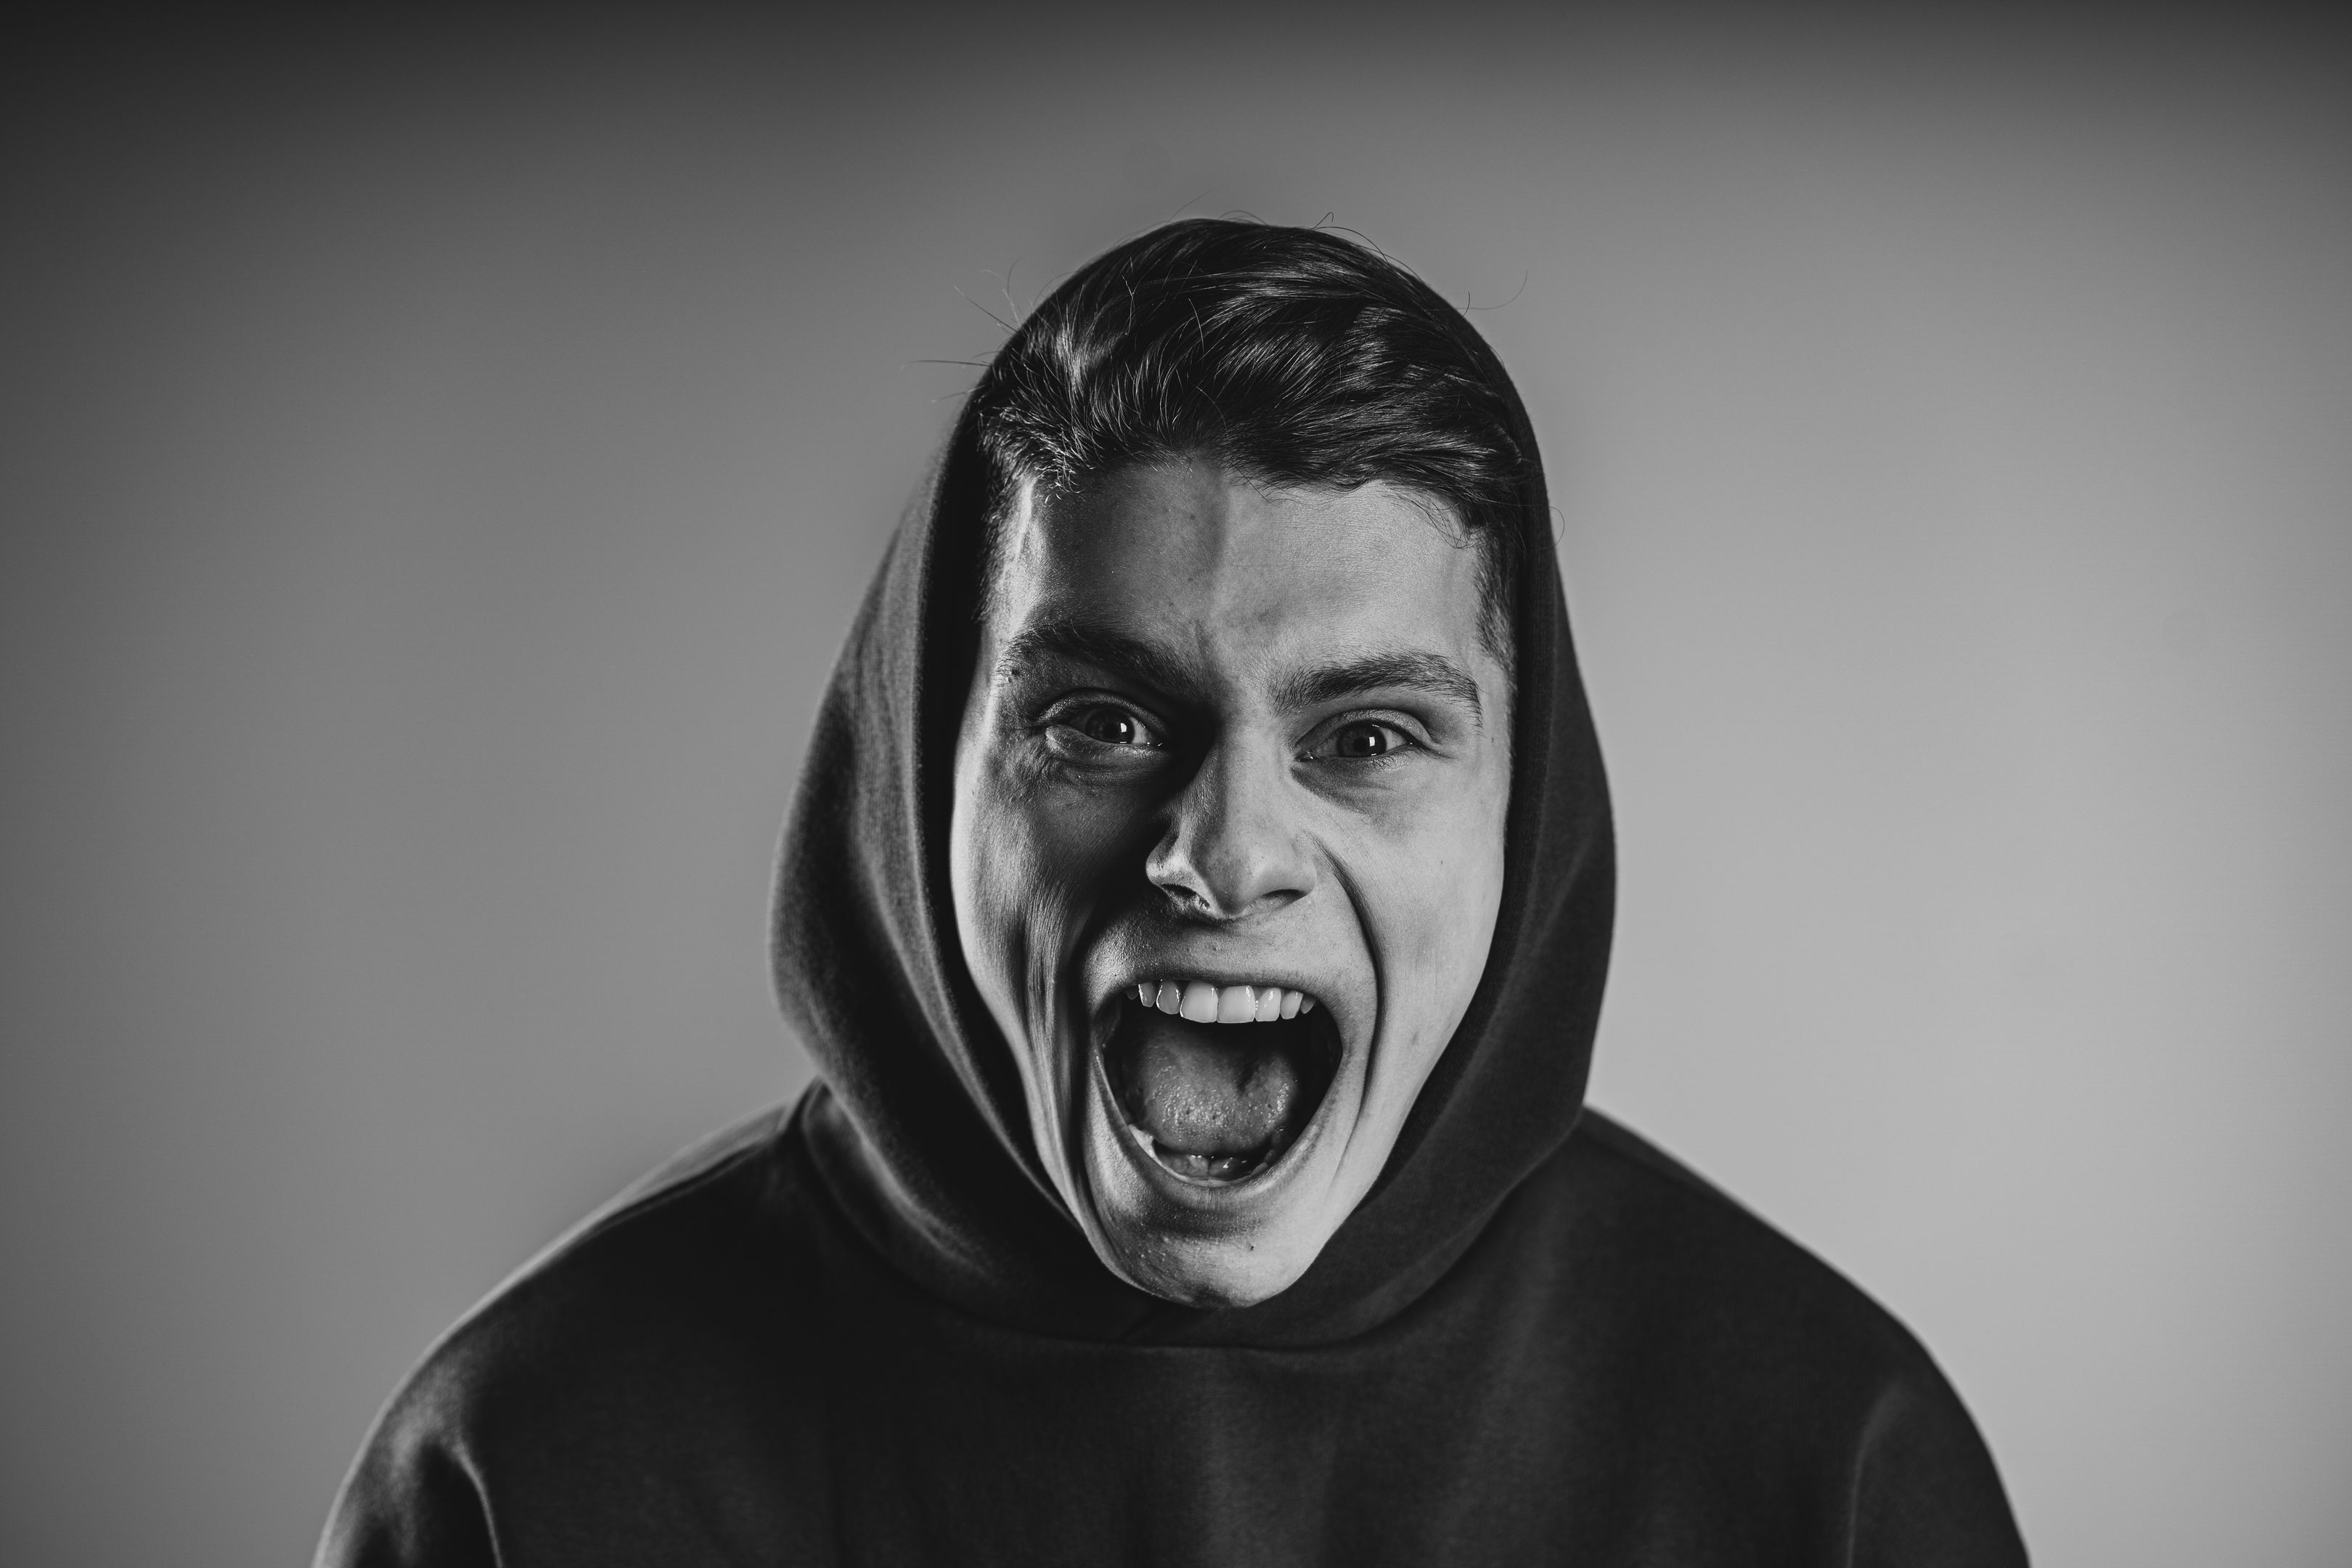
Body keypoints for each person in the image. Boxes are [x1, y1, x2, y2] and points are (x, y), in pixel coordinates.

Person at [318, 219, 2027, 1565]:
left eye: (1367, 736)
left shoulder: (1826, 1466)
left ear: (1529, 810)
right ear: (922, 774)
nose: (1222, 854)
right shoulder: (523, 1470)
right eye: (1102, 723)